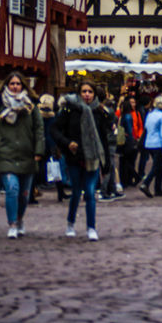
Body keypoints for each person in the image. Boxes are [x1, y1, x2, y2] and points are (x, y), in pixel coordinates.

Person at [0, 71, 44, 238]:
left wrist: (39, 150)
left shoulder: (30, 105)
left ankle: (20, 218)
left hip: (27, 154)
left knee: (24, 194)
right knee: (12, 189)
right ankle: (12, 224)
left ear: (23, 86)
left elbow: (39, 129)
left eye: (18, 84)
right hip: (5, 153)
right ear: (7, 85)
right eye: (12, 84)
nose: (15, 86)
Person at [51, 79, 109, 240]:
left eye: (90, 92)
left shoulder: (99, 112)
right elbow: (54, 129)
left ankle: (91, 227)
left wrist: (107, 163)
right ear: (79, 93)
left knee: (90, 193)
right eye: (84, 91)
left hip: (93, 157)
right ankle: (70, 222)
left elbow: (103, 137)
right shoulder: (70, 110)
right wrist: (67, 143)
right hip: (75, 157)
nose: (87, 95)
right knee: (76, 191)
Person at [138, 93, 162, 197]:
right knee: (157, 166)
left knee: (160, 166)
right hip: (158, 144)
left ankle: (158, 188)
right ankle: (146, 183)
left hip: (149, 143)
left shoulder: (150, 114)